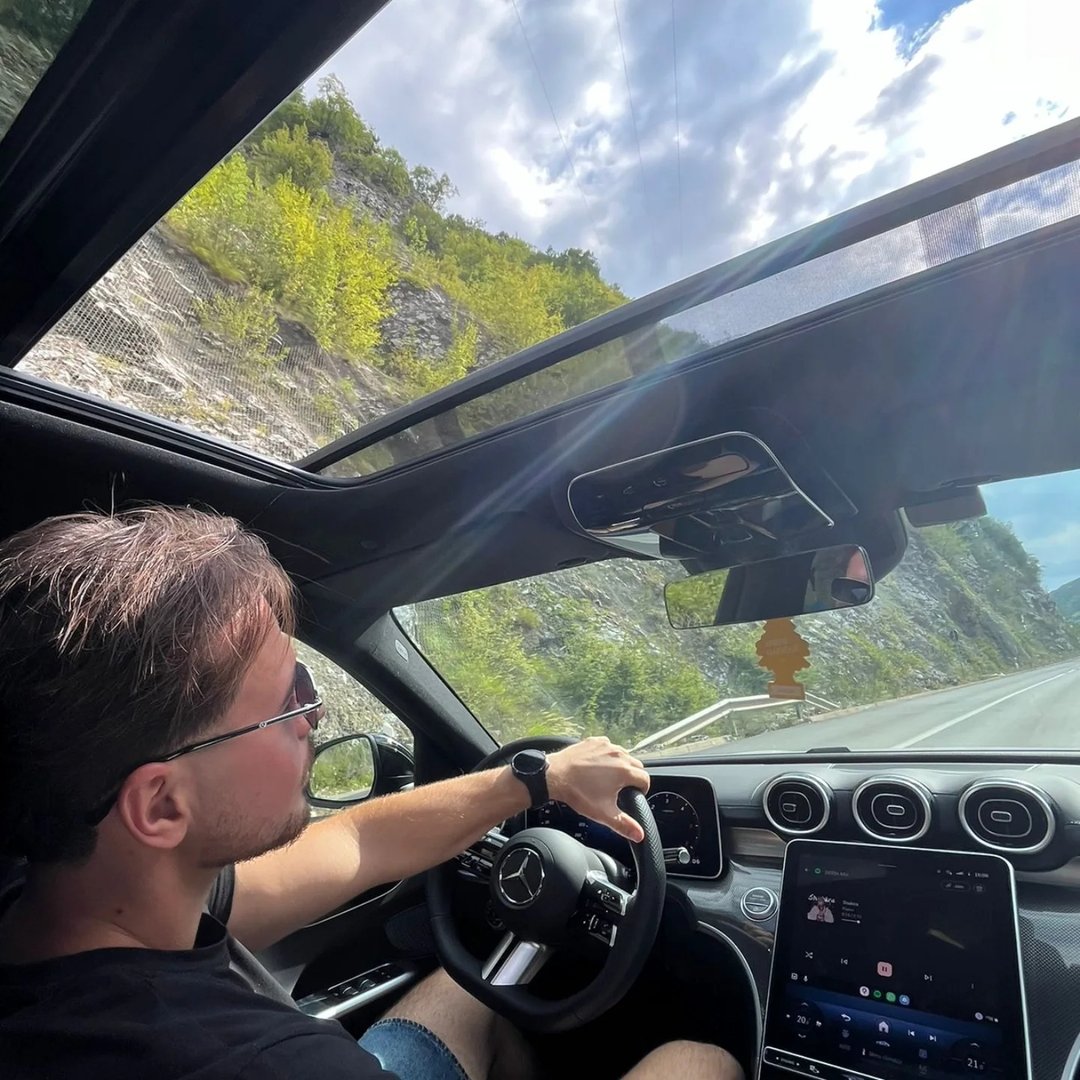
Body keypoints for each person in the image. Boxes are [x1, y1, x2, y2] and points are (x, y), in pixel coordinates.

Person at [0, 507, 743, 1080]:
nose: (315, 714)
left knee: (472, 991)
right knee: (698, 1061)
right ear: (162, 805)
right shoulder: (264, 1063)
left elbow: (359, 842)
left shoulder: (65, 894)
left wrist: (535, 779)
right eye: (288, 704)